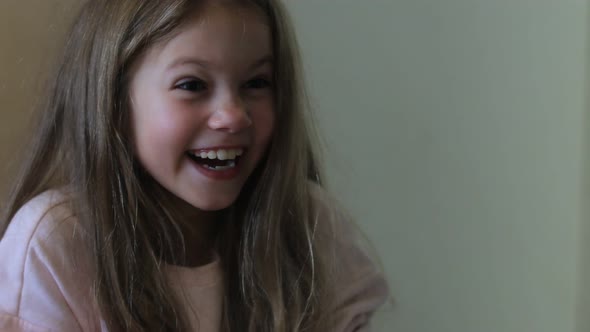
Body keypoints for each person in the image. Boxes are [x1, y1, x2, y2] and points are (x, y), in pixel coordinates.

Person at [0, 0, 389, 331]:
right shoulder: (53, 247)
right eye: (192, 85)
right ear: (114, 101)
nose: (233, 117)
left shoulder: (309, 225)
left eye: (256, 83)